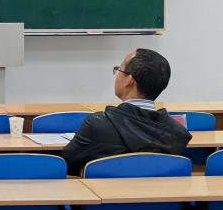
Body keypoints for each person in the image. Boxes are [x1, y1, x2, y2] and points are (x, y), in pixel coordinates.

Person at [62, 48, 191, 176]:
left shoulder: (98, 125)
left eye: (119, 69)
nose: (117, 74)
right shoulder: (178, 133)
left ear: (129, 80)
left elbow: (66, 164)